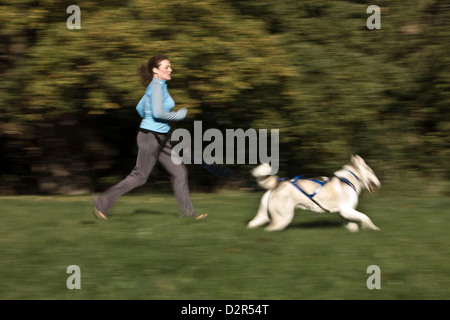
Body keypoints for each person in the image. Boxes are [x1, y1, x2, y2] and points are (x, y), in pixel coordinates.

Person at [93, 55, 206, 220]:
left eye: (170, 67)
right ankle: (102, 203)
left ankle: (188, 213)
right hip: (150, 137)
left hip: (161, 137)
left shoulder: (159, 86)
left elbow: (140, 107)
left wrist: (152, 121)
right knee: (139, 176)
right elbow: (158, 112)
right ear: (155, 70)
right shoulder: (156, 87)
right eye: (166, 67)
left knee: (179, 172)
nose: (170, 69)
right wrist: (177, 115)